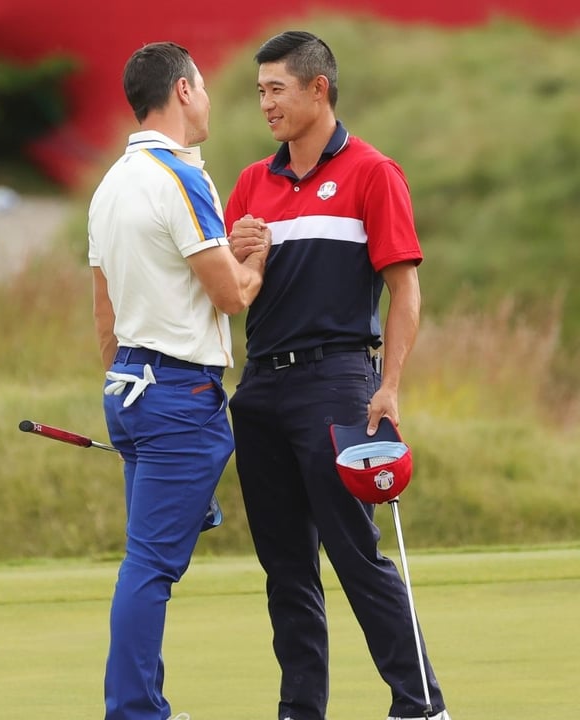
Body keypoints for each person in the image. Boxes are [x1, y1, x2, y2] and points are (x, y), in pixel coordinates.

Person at [223, 30, 451, 720]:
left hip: (336, 379)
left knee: (355, 556)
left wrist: (391, 385)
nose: (265, 103)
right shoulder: (251, 184)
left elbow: (404, 291)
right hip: (261, 388)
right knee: (286, 568)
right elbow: (233, 292)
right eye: (260, 91)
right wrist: (241, 257)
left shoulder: (373, 172)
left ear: (318, 88)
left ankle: (420, 706)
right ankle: (301, 709)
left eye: (277, 90)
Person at [87, 42, 267, 720]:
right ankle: (134, 711)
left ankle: (145, 702)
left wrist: (121, 384)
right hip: (177, 393)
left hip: (129, 385)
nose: (210, 98)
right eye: (206, 86)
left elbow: (104, 309)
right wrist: (261, 258)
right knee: (152, 567)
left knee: (150, 558)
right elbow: (230, 295)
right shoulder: (179, 175)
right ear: (186, 89)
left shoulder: (111, 184)